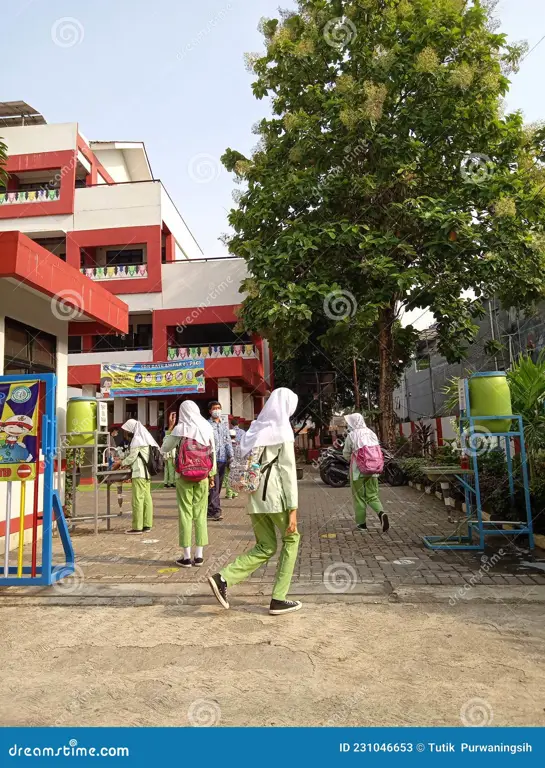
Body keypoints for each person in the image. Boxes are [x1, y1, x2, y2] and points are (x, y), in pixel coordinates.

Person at [208, 387, 302, 616]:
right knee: (292, 539)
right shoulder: (282, 431)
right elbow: (288, 472)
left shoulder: (256, 428)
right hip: (275, 495)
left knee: (266, 546)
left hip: (253, 494)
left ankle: (223, 578)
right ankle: (279, 597)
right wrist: (293, 509)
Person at [162, 401, 216, 567]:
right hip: (203, 476)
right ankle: (199, 555)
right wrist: (212, 475)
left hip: (183, 476)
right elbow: (213, 451)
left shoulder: (180, 429)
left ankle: (186, 557)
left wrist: (170, 429)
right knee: (200, 513)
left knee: (185, 513)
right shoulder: (207, 427)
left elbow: (165, 448)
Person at [342, 413, 389, 533]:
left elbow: (346, 453)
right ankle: (381, 513)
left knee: (359, 498)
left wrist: (351, 458)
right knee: (372, 494)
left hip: (358, 471)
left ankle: (361, 525)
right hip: (373, 470)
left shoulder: (352, 435)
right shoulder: (371, 433)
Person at [112, 419, 159, 535]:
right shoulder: (144, 439)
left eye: (127, 430)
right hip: (146, 474)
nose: (126, 433)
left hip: (139, 473)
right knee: (147, 499)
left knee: (138, 499)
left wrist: (119, 463)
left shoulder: (136, 440)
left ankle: (137, 527)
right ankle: (147, 524)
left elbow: (132, 458)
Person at [207, 400, 233, 521]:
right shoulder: (206, 425)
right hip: (211, 459)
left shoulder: (224, 425)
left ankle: (209, 508)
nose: (217, 410)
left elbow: (228, 442)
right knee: (214, 485)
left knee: (218, 486)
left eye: (218, 407)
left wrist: (231, 457)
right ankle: (216, 510)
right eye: (214, 408)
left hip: (223, 459)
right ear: (210, 411)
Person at [162, 411, 177, 488]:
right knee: (171, 470)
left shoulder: (165, 437)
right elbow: (172, 448)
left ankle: (166, 482)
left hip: (166, 456)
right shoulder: (170, 437)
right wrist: (174, 457)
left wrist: (172, 420)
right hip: (171, 456)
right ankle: (171, 482)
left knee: (166, 469)